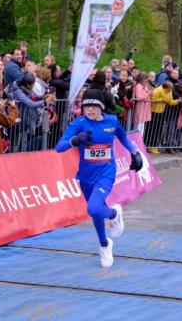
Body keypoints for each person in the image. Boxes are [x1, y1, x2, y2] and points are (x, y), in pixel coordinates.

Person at [55, 87, 143, 267]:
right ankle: (105, 244)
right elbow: (59, 147)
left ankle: (113, 213)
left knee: (93, 209)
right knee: (96, 212)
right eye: (86, 106)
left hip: (106, 173)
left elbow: (123, 137)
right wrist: (75, 140)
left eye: (94, 107)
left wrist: (135, 152)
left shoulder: (111, 121)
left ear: (101, 107)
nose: (90, 110)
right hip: (86, 176)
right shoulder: (79, 124)